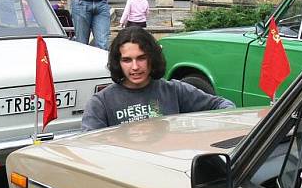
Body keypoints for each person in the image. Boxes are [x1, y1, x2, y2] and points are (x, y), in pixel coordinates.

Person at [82, 27, 235, 130]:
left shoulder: (174, 90)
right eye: (127, 60)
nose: (135, 67)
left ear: (152, 58)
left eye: (141, 58)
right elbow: (87, 145)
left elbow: (224, 106)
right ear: (118, 62)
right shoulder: (101, 103)